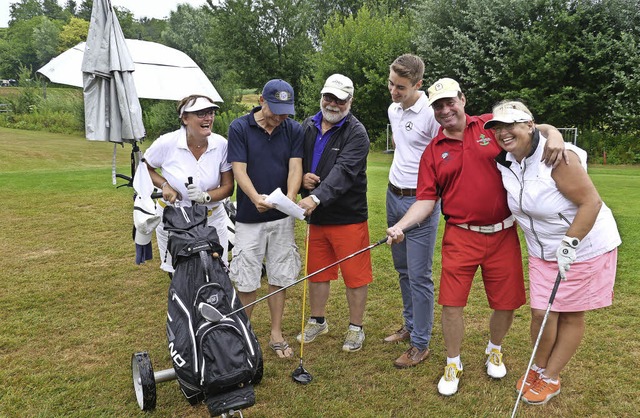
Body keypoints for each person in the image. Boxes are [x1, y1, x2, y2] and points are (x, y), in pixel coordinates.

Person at [386, 78, 566, 396]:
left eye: (450, 102)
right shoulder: (433, 151)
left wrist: (555, 134)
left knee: (506, 303)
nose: (445, 110)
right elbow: (426, 201)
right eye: (438, 106)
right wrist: (402, 224)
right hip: (460, 235)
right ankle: (453, 362)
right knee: (452, 304)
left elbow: (531, 127)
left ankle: (494, 348)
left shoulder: (489, 125)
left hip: (502, 233)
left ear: (463, 100)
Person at [486, 100, 621, 405]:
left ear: (529, 125)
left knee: (570, 315)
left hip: (583, 246)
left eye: (513, 125)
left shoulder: (558, 158)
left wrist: (570, 244)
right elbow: (543, 128)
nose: (505, 133)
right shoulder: (507, 160)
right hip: (542, 250)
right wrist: (552, 130)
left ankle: (551, 377)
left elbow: (592, 204)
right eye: (498, 127)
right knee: (541, 315)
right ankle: (538, 366)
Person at [227, 79, 303, 359]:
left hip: (282, 218)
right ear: (262, 100)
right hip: (249, 217)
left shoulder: (293, 129)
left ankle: (276, 333)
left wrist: (290, 198)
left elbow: (295, 167)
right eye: (277, 110)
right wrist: (255, 197)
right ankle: (243, 333)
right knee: (246, 277)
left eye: (286, 111)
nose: (281, 116)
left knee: (280, 275)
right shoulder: (239, 127)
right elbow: (239, 169)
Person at [296, 74, 372, 353]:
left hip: (347, 216)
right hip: (317, 217)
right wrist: (301, 177)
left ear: (349, 101)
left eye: (340, 100)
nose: (333, 104)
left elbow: (345, 172)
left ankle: (355, 328)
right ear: (322, 97)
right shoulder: (307, 125)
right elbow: (296, 160)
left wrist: (316, 197)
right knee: (317, 272)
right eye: (329, 97)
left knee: (356, 275)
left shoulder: (356, 132)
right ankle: (318, 320)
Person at [384, 54, 442, 368]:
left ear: (418, 85)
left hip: (421, 201)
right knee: (403, 270)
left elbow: (447, 150)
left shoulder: (433, 114)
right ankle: (409, 326)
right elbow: (404, 144)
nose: (394, 91)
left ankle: (420, 344)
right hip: (393, 195)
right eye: (391, 83)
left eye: (401, 87)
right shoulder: (393, 109)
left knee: (419, 276)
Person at [144, 94, 234, 274]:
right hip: (174, 219)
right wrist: (164, 186)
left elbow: (228, 187)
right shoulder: (167, 143)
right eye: (201, 113)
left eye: (210, 113)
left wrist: (206, 196)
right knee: (180, 274)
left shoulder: (221, 144)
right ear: (185, 118)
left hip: (213, 218)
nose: (208, 118)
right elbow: (144, 168)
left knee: (218, 272)